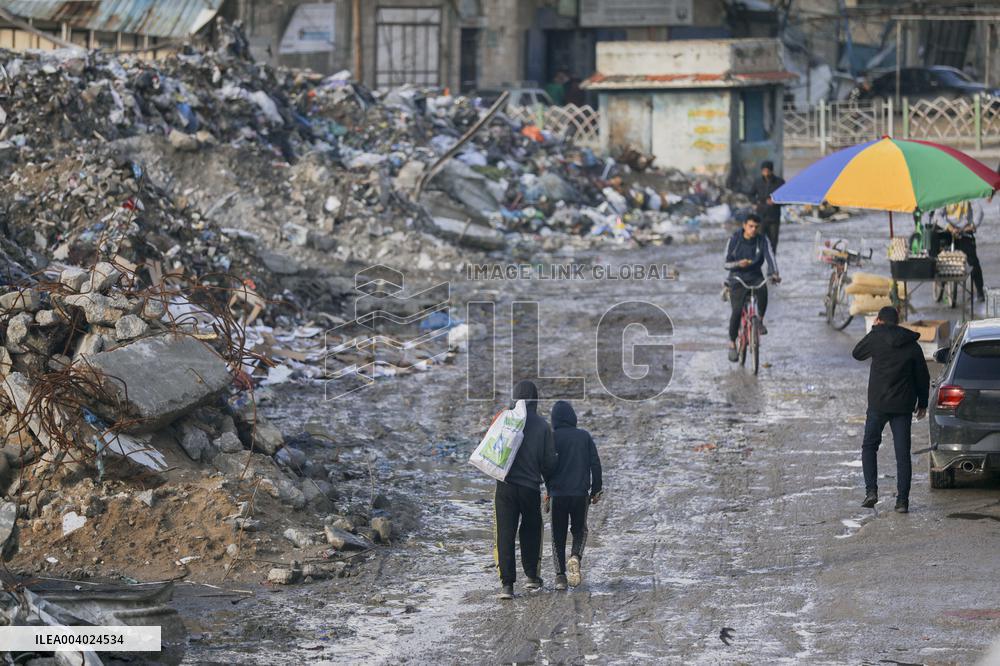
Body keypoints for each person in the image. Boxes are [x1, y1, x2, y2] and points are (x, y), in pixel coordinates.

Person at [852, 306, 930, 513]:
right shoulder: (911, 344)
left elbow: (857, 353)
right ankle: (902, 502)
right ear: (897, 321)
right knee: (902, 454)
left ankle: (871, 491)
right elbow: (923, 376)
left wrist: (874, 330)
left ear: (879, 320)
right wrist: (923, 403)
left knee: (869, 446)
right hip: (903, 406)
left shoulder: (876, 338)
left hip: (878, 405)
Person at [494, 380, 557, 600]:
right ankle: (531, 576)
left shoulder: (504, 419)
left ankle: (507, 586)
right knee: (531, 530)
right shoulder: (542, 426)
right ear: (535, 400)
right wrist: (550, 486)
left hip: (505, 487)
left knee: (504, 533)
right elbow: (549, 462)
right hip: (530, 488)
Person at [545, 401, 602, 591]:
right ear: (573, 418)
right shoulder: (584, 436)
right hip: (579, 494)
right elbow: (595, 464)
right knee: (580, 530)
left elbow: (546, 466)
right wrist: (596, 490)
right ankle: (575, 556)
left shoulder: (551, 438)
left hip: (557, 495)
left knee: (557, 535)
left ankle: (560, 577)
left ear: (554, 419)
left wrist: (548, 490)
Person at [724, 214, 780, 362]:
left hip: (755, 275)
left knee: (763, 291)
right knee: (737, 311)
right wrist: (738, 264)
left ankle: (759, 321)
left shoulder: (762, 240)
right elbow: (726, 263)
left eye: (756, 227)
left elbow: (770, 257)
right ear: (744, 226)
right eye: (750, 226)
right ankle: (732, 343)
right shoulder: (735, 239)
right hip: (737, 277)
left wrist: (774, 273)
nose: (753, 229)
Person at [936, 202, 985, 302]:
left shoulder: (968, 195)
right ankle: (940, 282)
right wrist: (948, 226)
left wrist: (973, 225)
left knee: (973, 261)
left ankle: (980, 291)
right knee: (940, 255)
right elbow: (937, 216)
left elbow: (979, 211)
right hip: (948, 231)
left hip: (965, 230)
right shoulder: (945, 196)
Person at [749, 161, 786, 252]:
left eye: (767, 170)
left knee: (773, 241)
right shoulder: (758, 182)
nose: (765, 172)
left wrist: (775, 201)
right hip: (761, 216)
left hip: (774, 216)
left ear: (771, 170)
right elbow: (751, 195)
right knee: (760, 240)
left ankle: (771, 258)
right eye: (763, 170)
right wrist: (755, 203)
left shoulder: (779, 182)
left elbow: (785, 198)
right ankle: (760, 258)